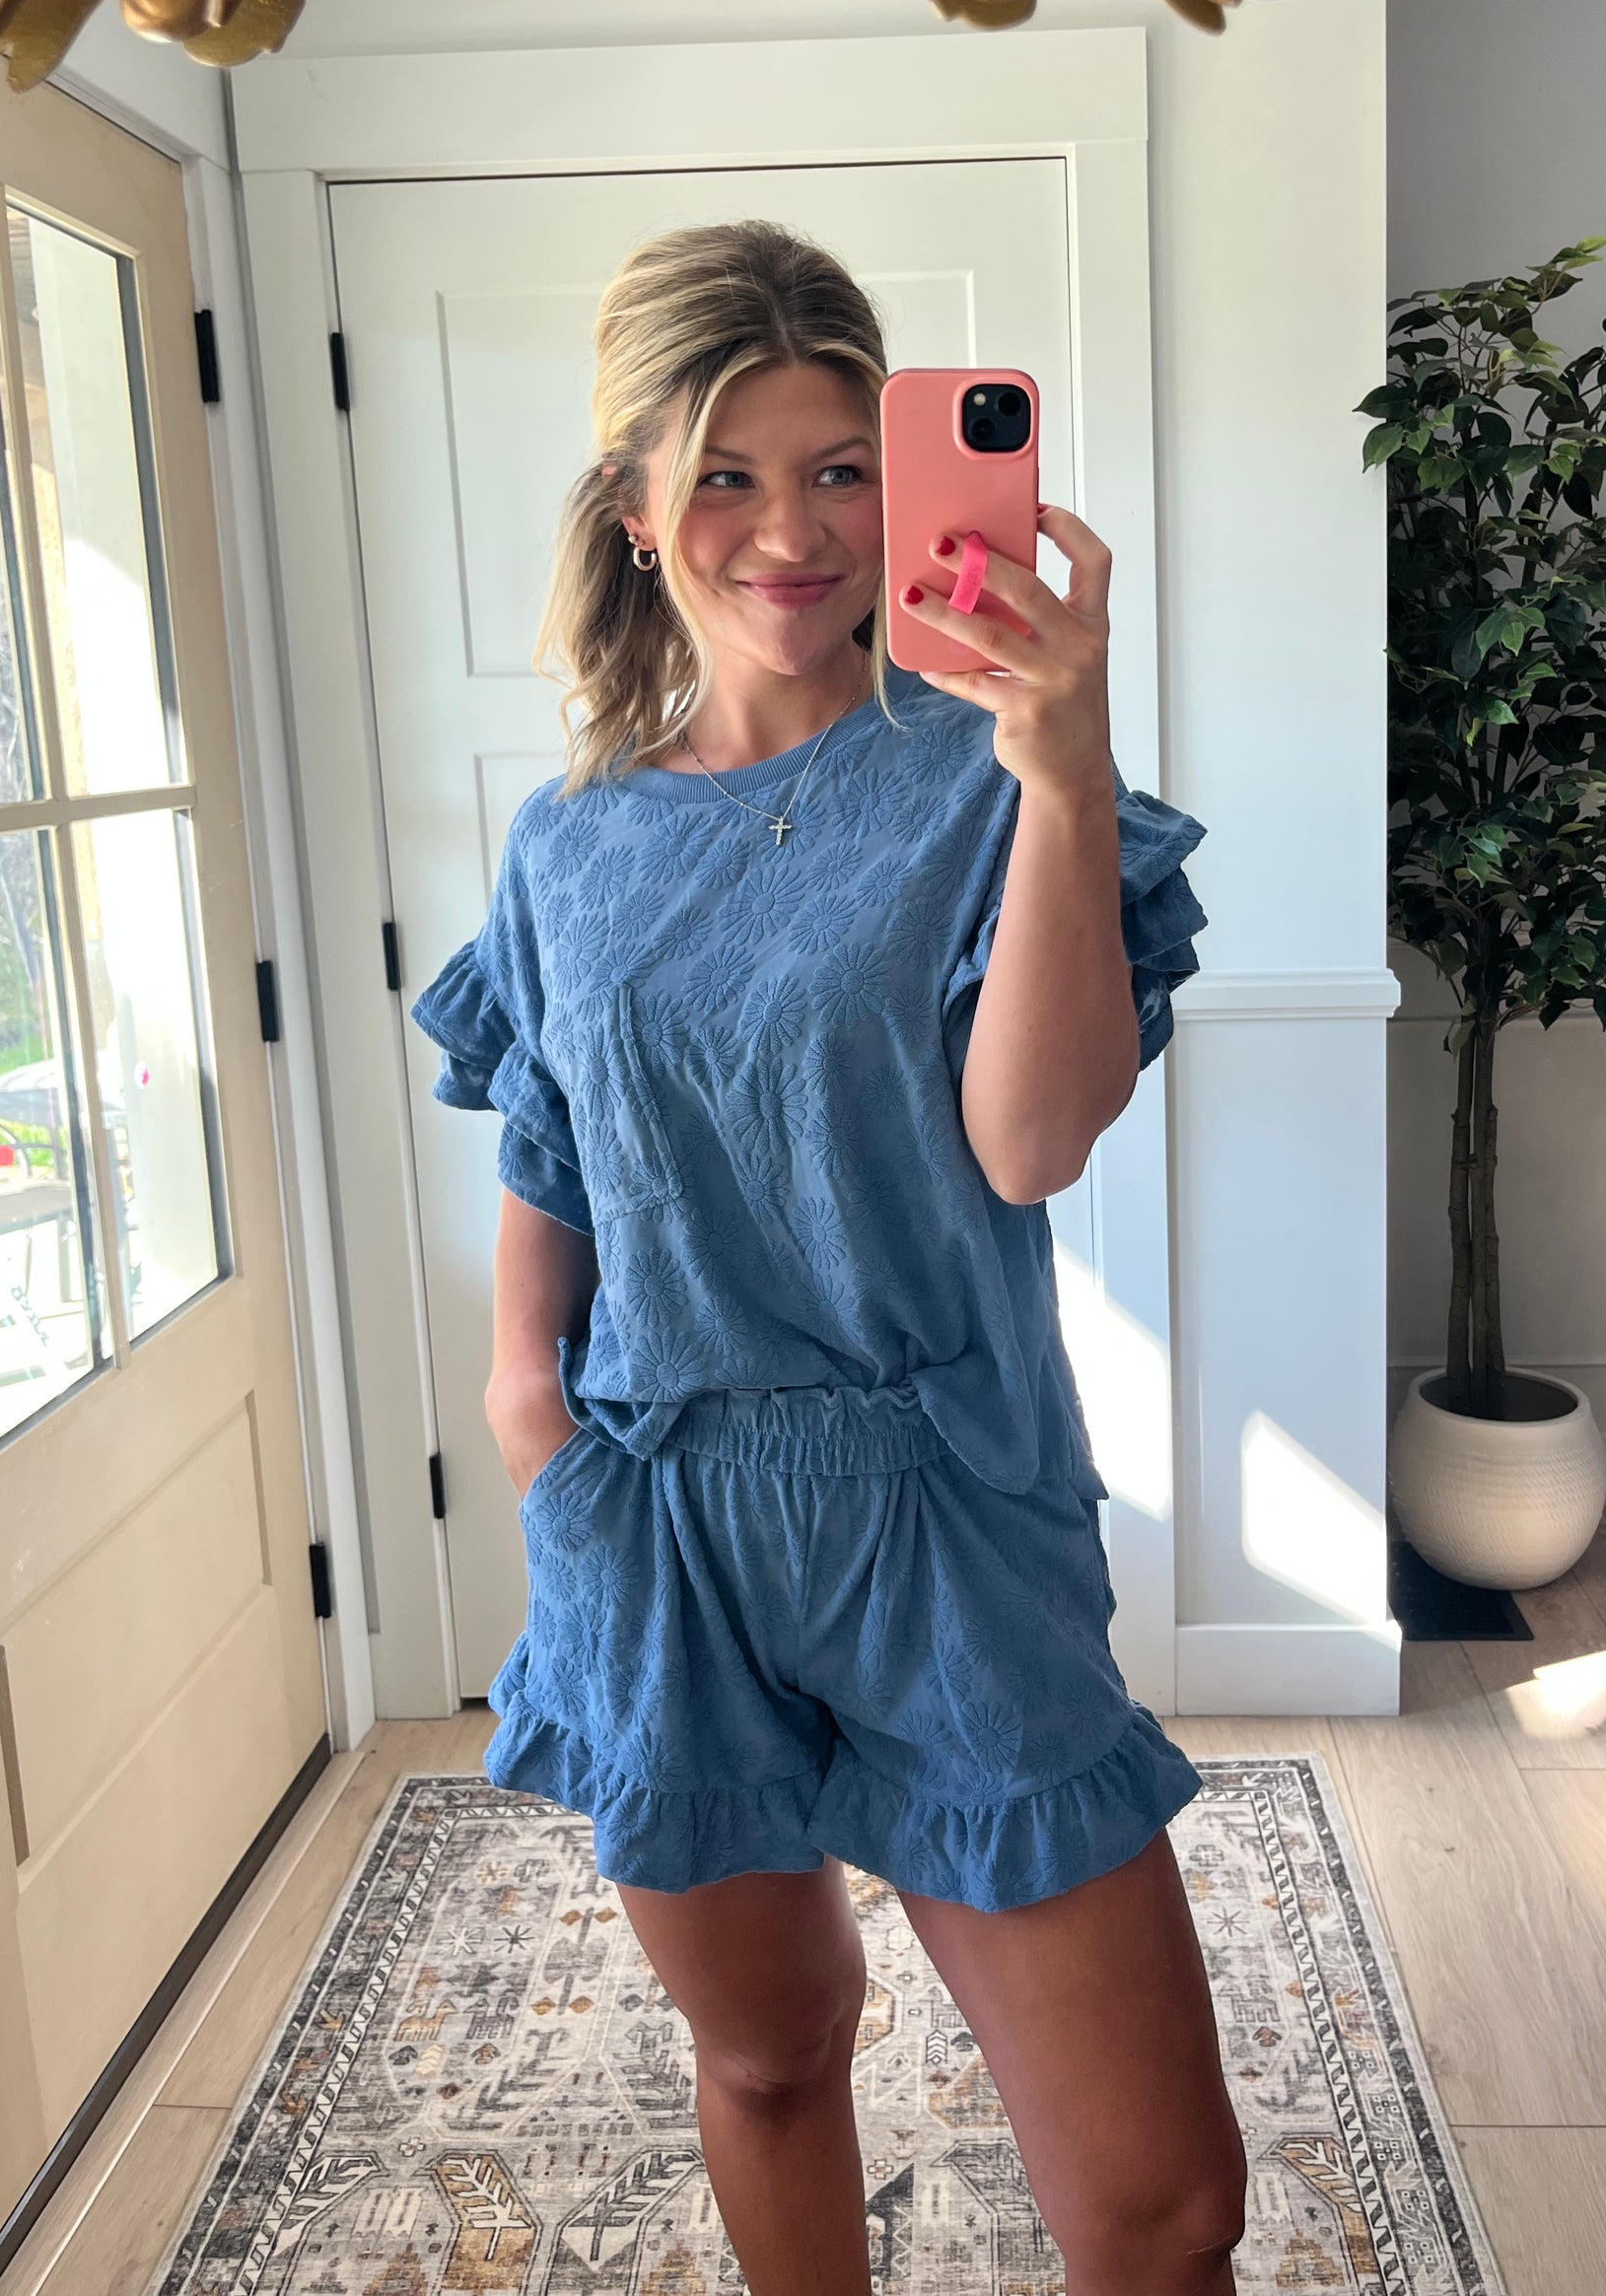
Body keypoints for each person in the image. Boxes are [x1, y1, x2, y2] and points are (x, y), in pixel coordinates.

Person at [411, 221, 1245, 2294]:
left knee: (1163, 2207)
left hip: (941, 1511)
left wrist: (1060, 769)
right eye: (724, 473)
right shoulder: (570, 837)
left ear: (904, 480)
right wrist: (535, 1422)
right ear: (635, 506)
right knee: (772, 2055)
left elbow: (1032, 1136)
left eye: (839, 468)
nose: (789, 532)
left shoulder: (988, 782)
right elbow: (551, 1154)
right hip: (660, 1523)